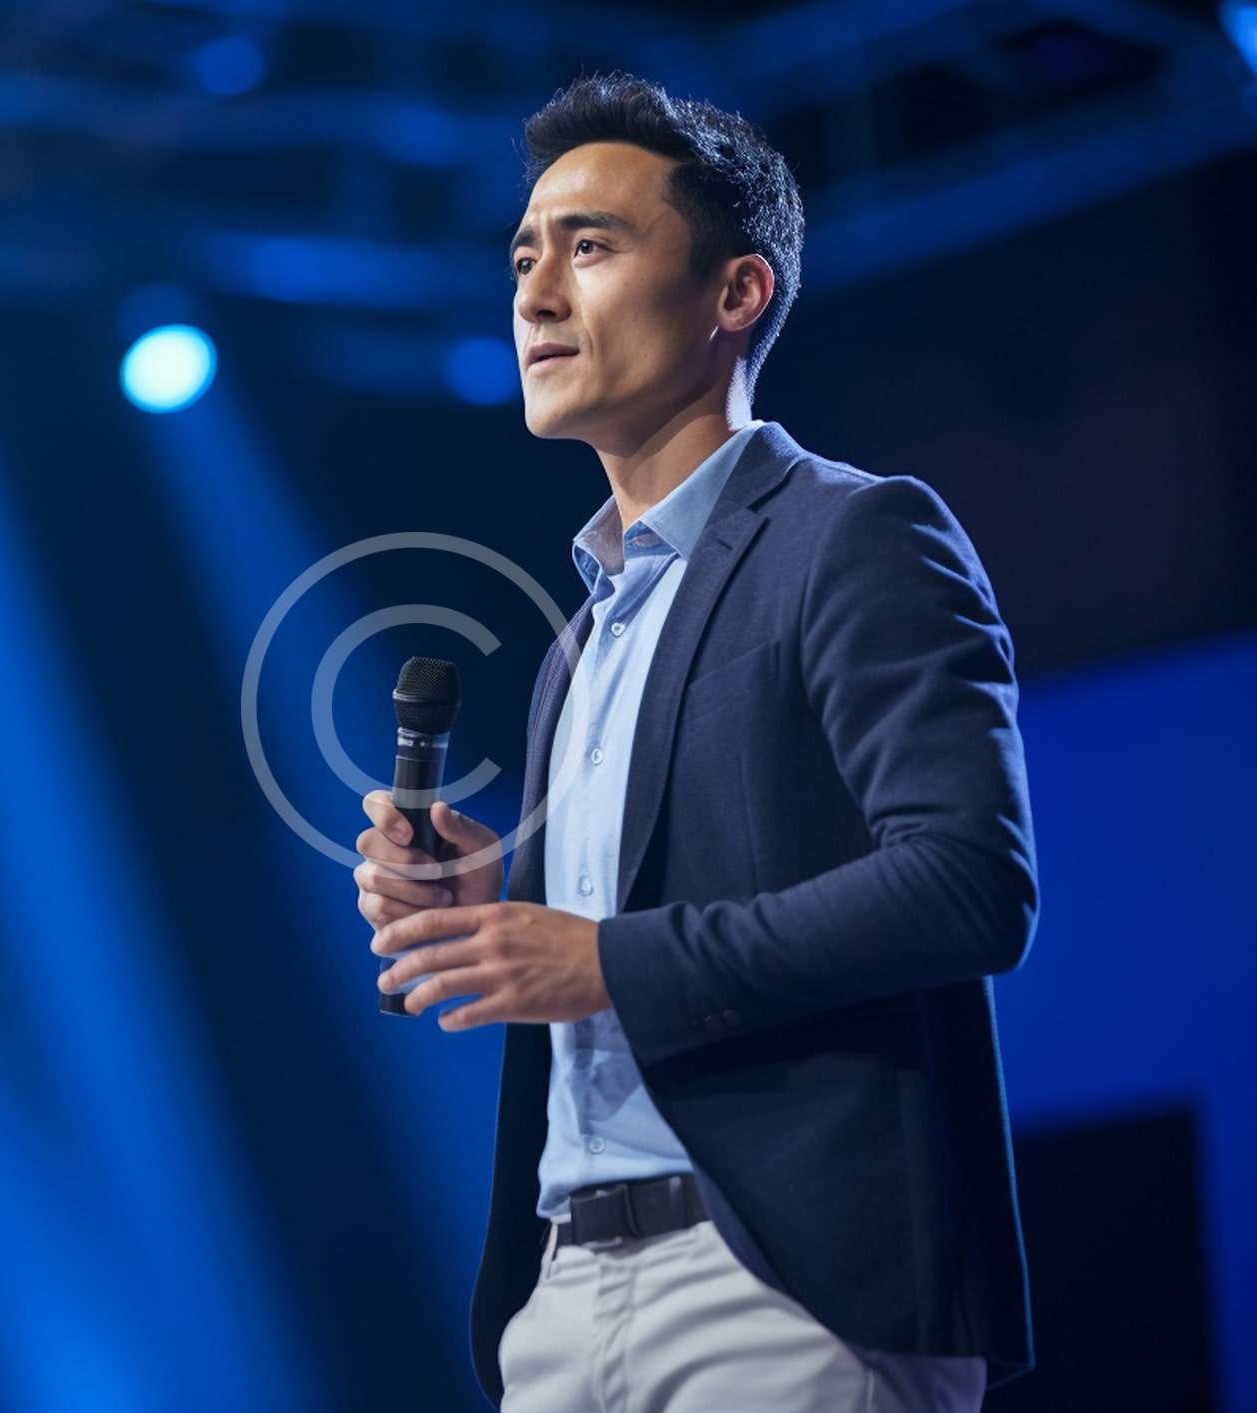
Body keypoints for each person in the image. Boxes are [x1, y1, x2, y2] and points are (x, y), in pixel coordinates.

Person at [355, 71, 1038, 1412]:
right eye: (524, 257)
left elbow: (971, 885)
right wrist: (500, 909)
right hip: (563, 1292)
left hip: (783, 1281)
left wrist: (603, 958)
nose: (536, 294)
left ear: (737, 293)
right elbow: (632, 936)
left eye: (591, 247)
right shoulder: (583, 635)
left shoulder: (856, 534)